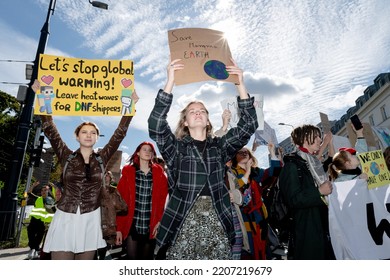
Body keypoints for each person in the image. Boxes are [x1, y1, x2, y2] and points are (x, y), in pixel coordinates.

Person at [148, 58, 258, 259]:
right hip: (183, 221)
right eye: (192, 111)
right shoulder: (176, 149)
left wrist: (240, 83)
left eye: (202, 111)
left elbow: (248, 126)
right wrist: (170, 82)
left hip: (218, 219)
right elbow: (156, 125)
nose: (197, 113)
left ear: (208, 120)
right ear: (186, 122)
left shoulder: (220, 146)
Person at [31, 80, 139, 260]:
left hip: (91, 219)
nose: (88, 135)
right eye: (84, 132)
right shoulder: (66, 155)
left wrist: (130, 107)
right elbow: (50, 129)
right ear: (77, 136)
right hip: (65, 217)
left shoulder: (102, 158)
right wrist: (41, 97)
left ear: (97, 138)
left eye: (93, 133)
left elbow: (120, 133)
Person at [278, 124, 335, 260]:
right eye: (315, 136)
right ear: (303, 139)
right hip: (307, 230)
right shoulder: (292, 166)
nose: (319, 140)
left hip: (321, 226)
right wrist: (319, 191)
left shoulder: (312, 164)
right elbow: (293, 199)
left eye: (319, 137)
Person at [115, 142, 168, 260]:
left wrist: (160, 221)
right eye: (144, 149)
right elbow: (120, 203)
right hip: (131, 224)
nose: (148, 152)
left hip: (151, 225)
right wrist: (118, 228)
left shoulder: (159, 173)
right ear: (138, 153)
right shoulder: (128, 172)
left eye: (150, 150)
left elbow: (162, 201)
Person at [230, 143, 281, 259]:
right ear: (234, 157)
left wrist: (272, 152)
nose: (244, 153)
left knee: (264, 250)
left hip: (260, 217)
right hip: (244, 218)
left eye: (246, 152)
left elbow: (274, 172)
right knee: (250, 251)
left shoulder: (256, 172)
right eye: (240, 152)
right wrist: (247, 170)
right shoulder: (232, 173)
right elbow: (238, 191)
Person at [27, 183, 55, 259]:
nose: (43, 191)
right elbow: (29, 193)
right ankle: (33, 248)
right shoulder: (38, 198)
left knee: (39, 236)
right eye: (42, 190)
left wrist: (53, 186)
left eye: (45, 190)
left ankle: (35, 249)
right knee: (30, 233)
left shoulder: (51, 200)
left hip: (43, 221)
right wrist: (33, 185)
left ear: (49, 191)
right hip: (34, 219)